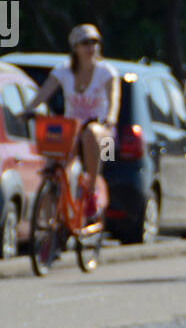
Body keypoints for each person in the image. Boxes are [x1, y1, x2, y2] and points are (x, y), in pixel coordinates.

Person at [23, 24, 120, 220]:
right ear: (75, 47)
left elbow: (114, 98)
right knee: (51, 166)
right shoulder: (64, 71)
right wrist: (28, 110)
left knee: (90, 132)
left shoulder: (106, 72)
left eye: (94, 42)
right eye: (85, 43)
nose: (91, 47)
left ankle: (92, 191)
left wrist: (110, 118)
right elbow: (44, 92)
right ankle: (52, 223)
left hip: (103, 133)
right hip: (72, 130)